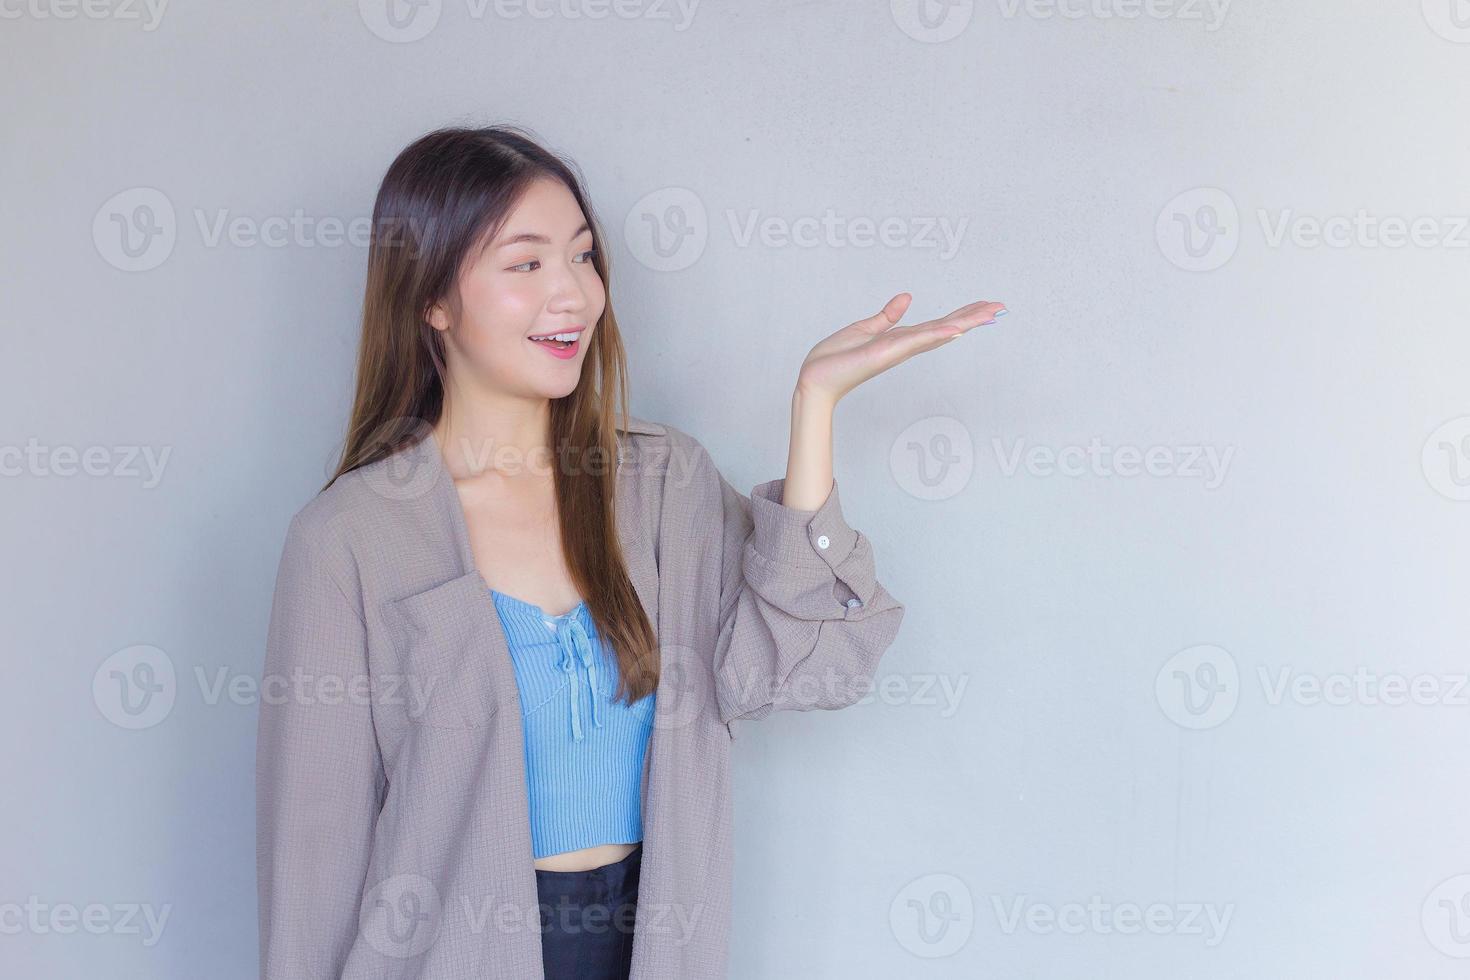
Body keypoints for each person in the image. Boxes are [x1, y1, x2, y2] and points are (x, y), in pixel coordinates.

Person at [254, 124, 1006, 979]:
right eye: (526, 264)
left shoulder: (663, 483)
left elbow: (814, 669)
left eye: (581, 257)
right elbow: (311, 863)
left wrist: (815, 408)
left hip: (650, 945)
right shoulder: (348, 538)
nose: (571, 295)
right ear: (431, 299)